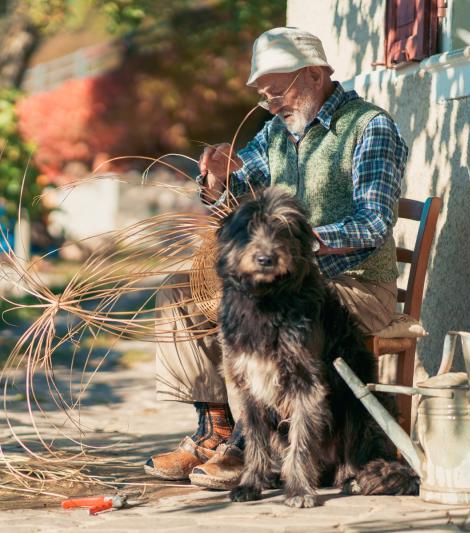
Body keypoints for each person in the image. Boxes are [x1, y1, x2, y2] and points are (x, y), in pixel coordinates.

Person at [145, 27, 409, 490]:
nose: (271, 104)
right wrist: (219, 178)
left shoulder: (370, 127)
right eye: (264, 97)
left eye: (276, 91)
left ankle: (251, 445)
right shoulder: (275, 132)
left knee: (261, 310)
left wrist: (294, 242)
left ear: (313, 75)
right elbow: (233, 200)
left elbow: (372, 224)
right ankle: (217, 429)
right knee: (181, 289)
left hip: (357, 281)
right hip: (288, 280)